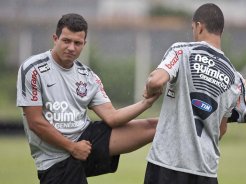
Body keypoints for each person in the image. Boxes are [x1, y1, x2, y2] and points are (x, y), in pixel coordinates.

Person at [16, 13, 160, 184]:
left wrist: (146, 103)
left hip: (86, 140)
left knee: (157, 125)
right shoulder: (33, 69)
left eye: (77, 43)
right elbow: (35, 122)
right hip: (56, 159)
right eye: (66, 41)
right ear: (55, 39)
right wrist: (72, 147)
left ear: (84, 44)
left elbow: (112, 118)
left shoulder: (87, 75)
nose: (71, 47)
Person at [143, 3, 246, 184]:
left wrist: (149, 89)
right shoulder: (235, 77)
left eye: (193, 28)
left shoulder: (182, 51)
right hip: (206, 172)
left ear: (199, 26)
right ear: (221, 32)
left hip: (167, 166)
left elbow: (156, 81)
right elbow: (222, 129)